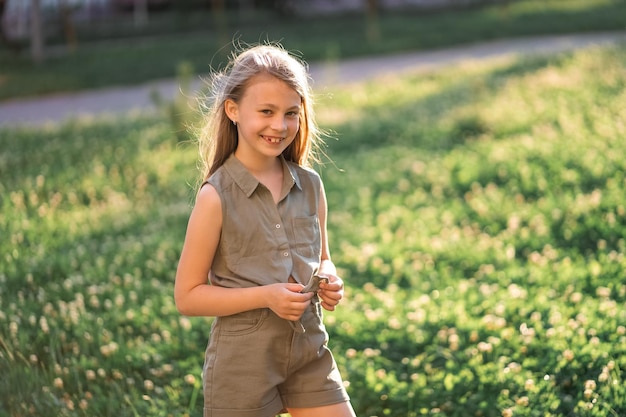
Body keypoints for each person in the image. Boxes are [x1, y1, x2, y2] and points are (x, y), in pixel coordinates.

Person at [174, 43, 357, 417]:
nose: (280, 125)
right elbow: (188, 296)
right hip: (243, 364)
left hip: (308, 350)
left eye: (291, 113)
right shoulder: (216, 197)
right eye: (267, 112)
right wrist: (267, 296)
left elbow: (323, 258)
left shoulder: (310, 185)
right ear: (233, 110)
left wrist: (329, 277)